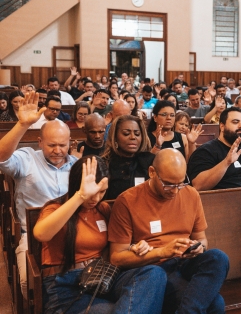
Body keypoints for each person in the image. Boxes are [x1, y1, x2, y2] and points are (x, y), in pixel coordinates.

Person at [34, 156, 166, 313]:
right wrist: (80, 196)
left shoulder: (102, 209)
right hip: (66, 286)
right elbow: (41, 234)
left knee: (153, 273)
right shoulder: (55, 209)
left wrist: (133, 247)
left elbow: (114, 247)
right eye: (92, 193)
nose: (96, 199)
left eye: (102, 192)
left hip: (103, 277)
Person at [108, 149, 229, 313]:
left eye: (180, 183)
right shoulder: (127, 201)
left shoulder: (191, 194)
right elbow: (116, 258)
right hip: (154, 270)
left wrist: (198, 247)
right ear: (152, 172)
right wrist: (163, 252)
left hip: (184, 262)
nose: (175, 190)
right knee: (215, 304)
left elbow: (202, 239)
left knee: (218, 258)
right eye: (168, 184)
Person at [0, 91, 80, 298]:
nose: (57, 150)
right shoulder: (27, 158)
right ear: (40, 142)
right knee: (29, 280)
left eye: (62, 145)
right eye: (51, 145)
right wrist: (22, 124)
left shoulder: (76, 166)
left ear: (70, 143)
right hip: (33, 234)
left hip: (72, 230)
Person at [188, 107, 241, 190]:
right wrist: (226, 162)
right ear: (222, 126)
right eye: (235, 122)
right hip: (218, 201)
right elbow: (198, 185)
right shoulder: (205, 151)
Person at [102, 115, 154, 199]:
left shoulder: (151, 161)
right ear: (115, 137)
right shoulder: (104, 163)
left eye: (137, 134)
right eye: (126, 133)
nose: (133, 137)